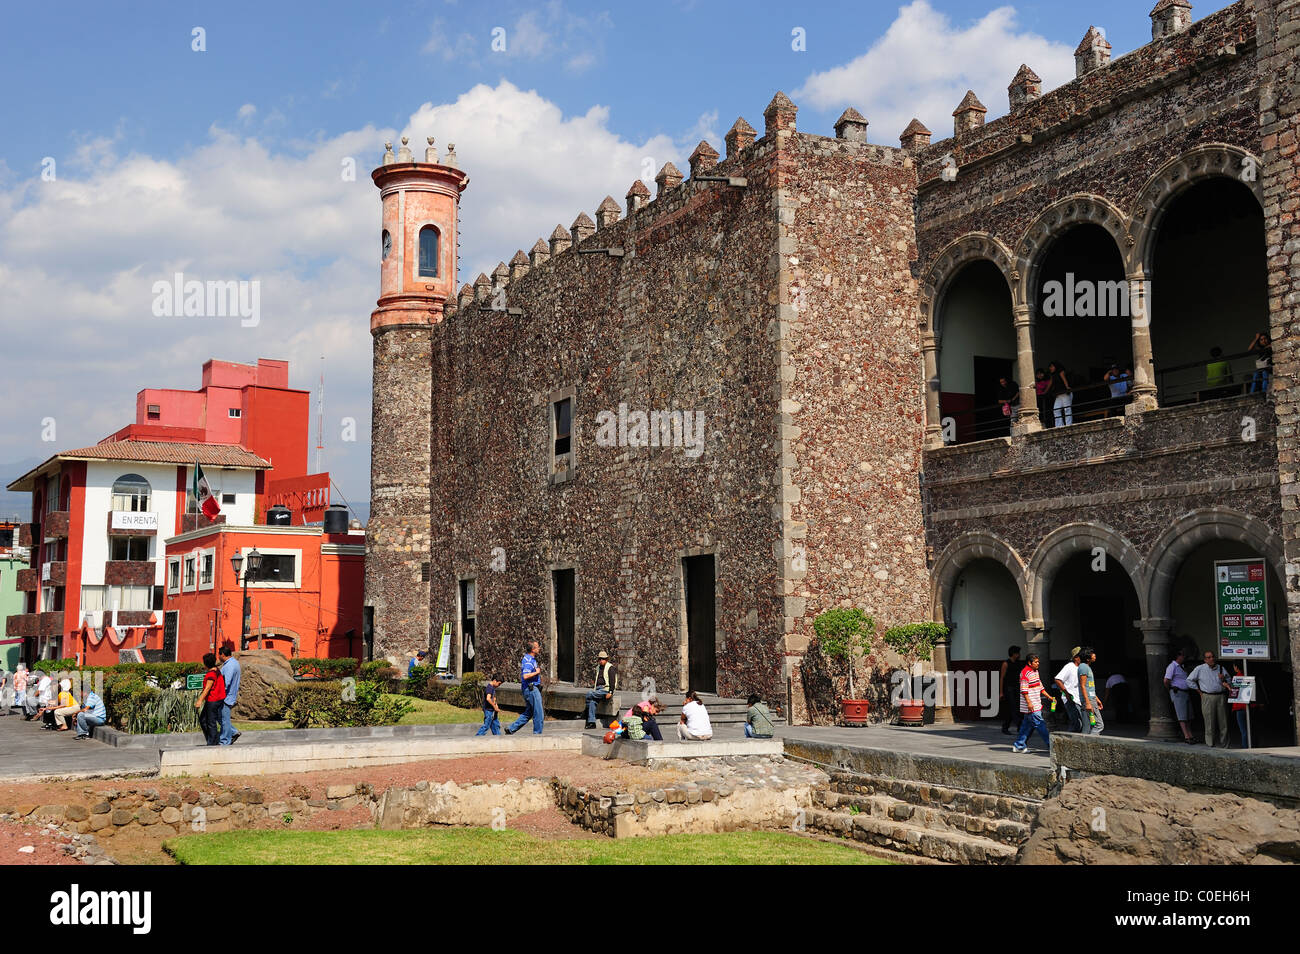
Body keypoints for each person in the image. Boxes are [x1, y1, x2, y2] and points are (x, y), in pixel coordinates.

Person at [1188, 650, 1231, 748]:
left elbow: (1230, 682)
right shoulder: (1200, 669)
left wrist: (1223, 679)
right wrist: (1199, 691)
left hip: (1221, 696)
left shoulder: (1221, 668)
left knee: (1223, 722)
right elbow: (1189, 680)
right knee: (1209, 722)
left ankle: (1225, 745)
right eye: (1209, 657)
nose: (1212, 659)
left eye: (1212, 656)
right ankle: (1210, 744)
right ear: (1205, 660)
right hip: (1207, 696)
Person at [1012, 653, 1054, 753]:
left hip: (1035, 703)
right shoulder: (1025, 673)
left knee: (1026, 726)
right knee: (1040, 724)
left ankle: (1019, 745)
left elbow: (1040, 686)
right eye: (1035, 662)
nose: (1038, 663)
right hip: (1031, 705)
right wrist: (1029, 703)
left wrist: (1048, 696)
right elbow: (1024, 690)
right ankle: (1051, 745)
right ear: (1029, 663)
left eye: (1038, 661)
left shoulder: (1035, 672)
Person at [506, 640, 545, 735]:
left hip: (529, 689)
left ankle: (511, 728)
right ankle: (537, 734)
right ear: (532, 649)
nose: (539, 648)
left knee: (529, 713)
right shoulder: (528, 661)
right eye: (537, 647)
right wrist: (537, 672)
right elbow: (525, 676)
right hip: (531, 689)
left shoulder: (531, 659)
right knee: (538, 713)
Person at [1163, 648, 1196, 744]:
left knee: (1188, 715)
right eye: (1182, 655)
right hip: (1178, 692)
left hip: (1185, 692)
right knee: (1182, 716)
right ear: (1178, 656)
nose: (1184, 657)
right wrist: (1171, 688)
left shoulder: (1181, 666)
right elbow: (1166, 680)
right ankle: (1186, 736)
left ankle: (1190, 735)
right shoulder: (1172, 666)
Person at [194, 652, 225, 746]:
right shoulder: (217, 670)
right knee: (203, 720)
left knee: (210, 722)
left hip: (213, 700)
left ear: (206, 663)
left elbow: (207, 688)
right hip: (217, 699)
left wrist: (199, 700)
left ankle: (212, 742)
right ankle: (211, 739)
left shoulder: (211, 674)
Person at [1053, 648, 1084, 733]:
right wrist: (1066, 693)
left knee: (1081, 723)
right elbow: (1058, 679)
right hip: (1071, 698)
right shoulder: (1070, 666)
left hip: (1080, 699)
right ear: (1075, 658)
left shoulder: (1083, 667)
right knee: (1076, 723)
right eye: (1080, 656)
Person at [584, 651, 618, 729]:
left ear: (606, 659)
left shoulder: (610, 668)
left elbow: (612, 681)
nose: (601, 661)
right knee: (592, 701)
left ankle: (585, 712)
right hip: (598, 689)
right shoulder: (598, 668)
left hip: (605, 689)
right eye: (600, 659)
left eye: (603, 659)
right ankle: (592, 722)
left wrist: (611, 692)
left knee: (589, 694)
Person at [218, 644, 242, 746]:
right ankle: (233, 732)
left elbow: (226, 682)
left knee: (224, 720)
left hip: (226, 697)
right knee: (220, 717)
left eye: (219, 655)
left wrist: (218, 694)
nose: (218, 657)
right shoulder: (233, 663)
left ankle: (225, 741)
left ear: (223, 654)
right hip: (228, 696)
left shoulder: (229, 666)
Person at [1229, 661, 1256, 749]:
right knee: (1251, 729)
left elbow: (1235, 694)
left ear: (1236, 667)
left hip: (1240, 708)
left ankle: (1246, 748)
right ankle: (1253, 746)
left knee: (1244, 731)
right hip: (1250, 707)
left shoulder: (1238, 677)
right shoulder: (1249, 676)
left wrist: (1227, 686)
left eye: (1234, 666)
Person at [1076, 647, 1103, 735]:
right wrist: (1088, 703)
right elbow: (1083, 686)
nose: (1094, 655)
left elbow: (1089, 687)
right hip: (1089, 700)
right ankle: (1091, 742)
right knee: (1099, 725)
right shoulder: (1083, 667)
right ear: (1087, 658)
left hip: (1091, 699)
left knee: (1092, 724)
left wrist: (1097, 699)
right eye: (1092, 654)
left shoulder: (1086, 667)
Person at [1000, 645, 1023, 735]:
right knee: (1014, 708)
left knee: (1012, 708)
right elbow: (1002, 678)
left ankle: (1005, 727)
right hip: (1009, 688)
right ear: (1013, 654)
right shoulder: (1006, 663)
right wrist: (1001, 692)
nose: (1019, 655)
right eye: (1017, 653)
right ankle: (1019, 726)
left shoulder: (1018, 663)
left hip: (1017, 687)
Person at [1046, 360, 1073, 427]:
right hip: (1058, 395)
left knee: (1067, 409)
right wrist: (1045, 392)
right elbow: (1050, 384)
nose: (1050, 368)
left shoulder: (1061, 371)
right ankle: (1059, 426)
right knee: (1056, 410)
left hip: (1064, 393)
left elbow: (1064, 380)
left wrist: (1067, 387)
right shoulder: (1053, 375)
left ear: (1056, 366)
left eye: (1051, 366)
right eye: (1050, 367)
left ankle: (1068, 425)